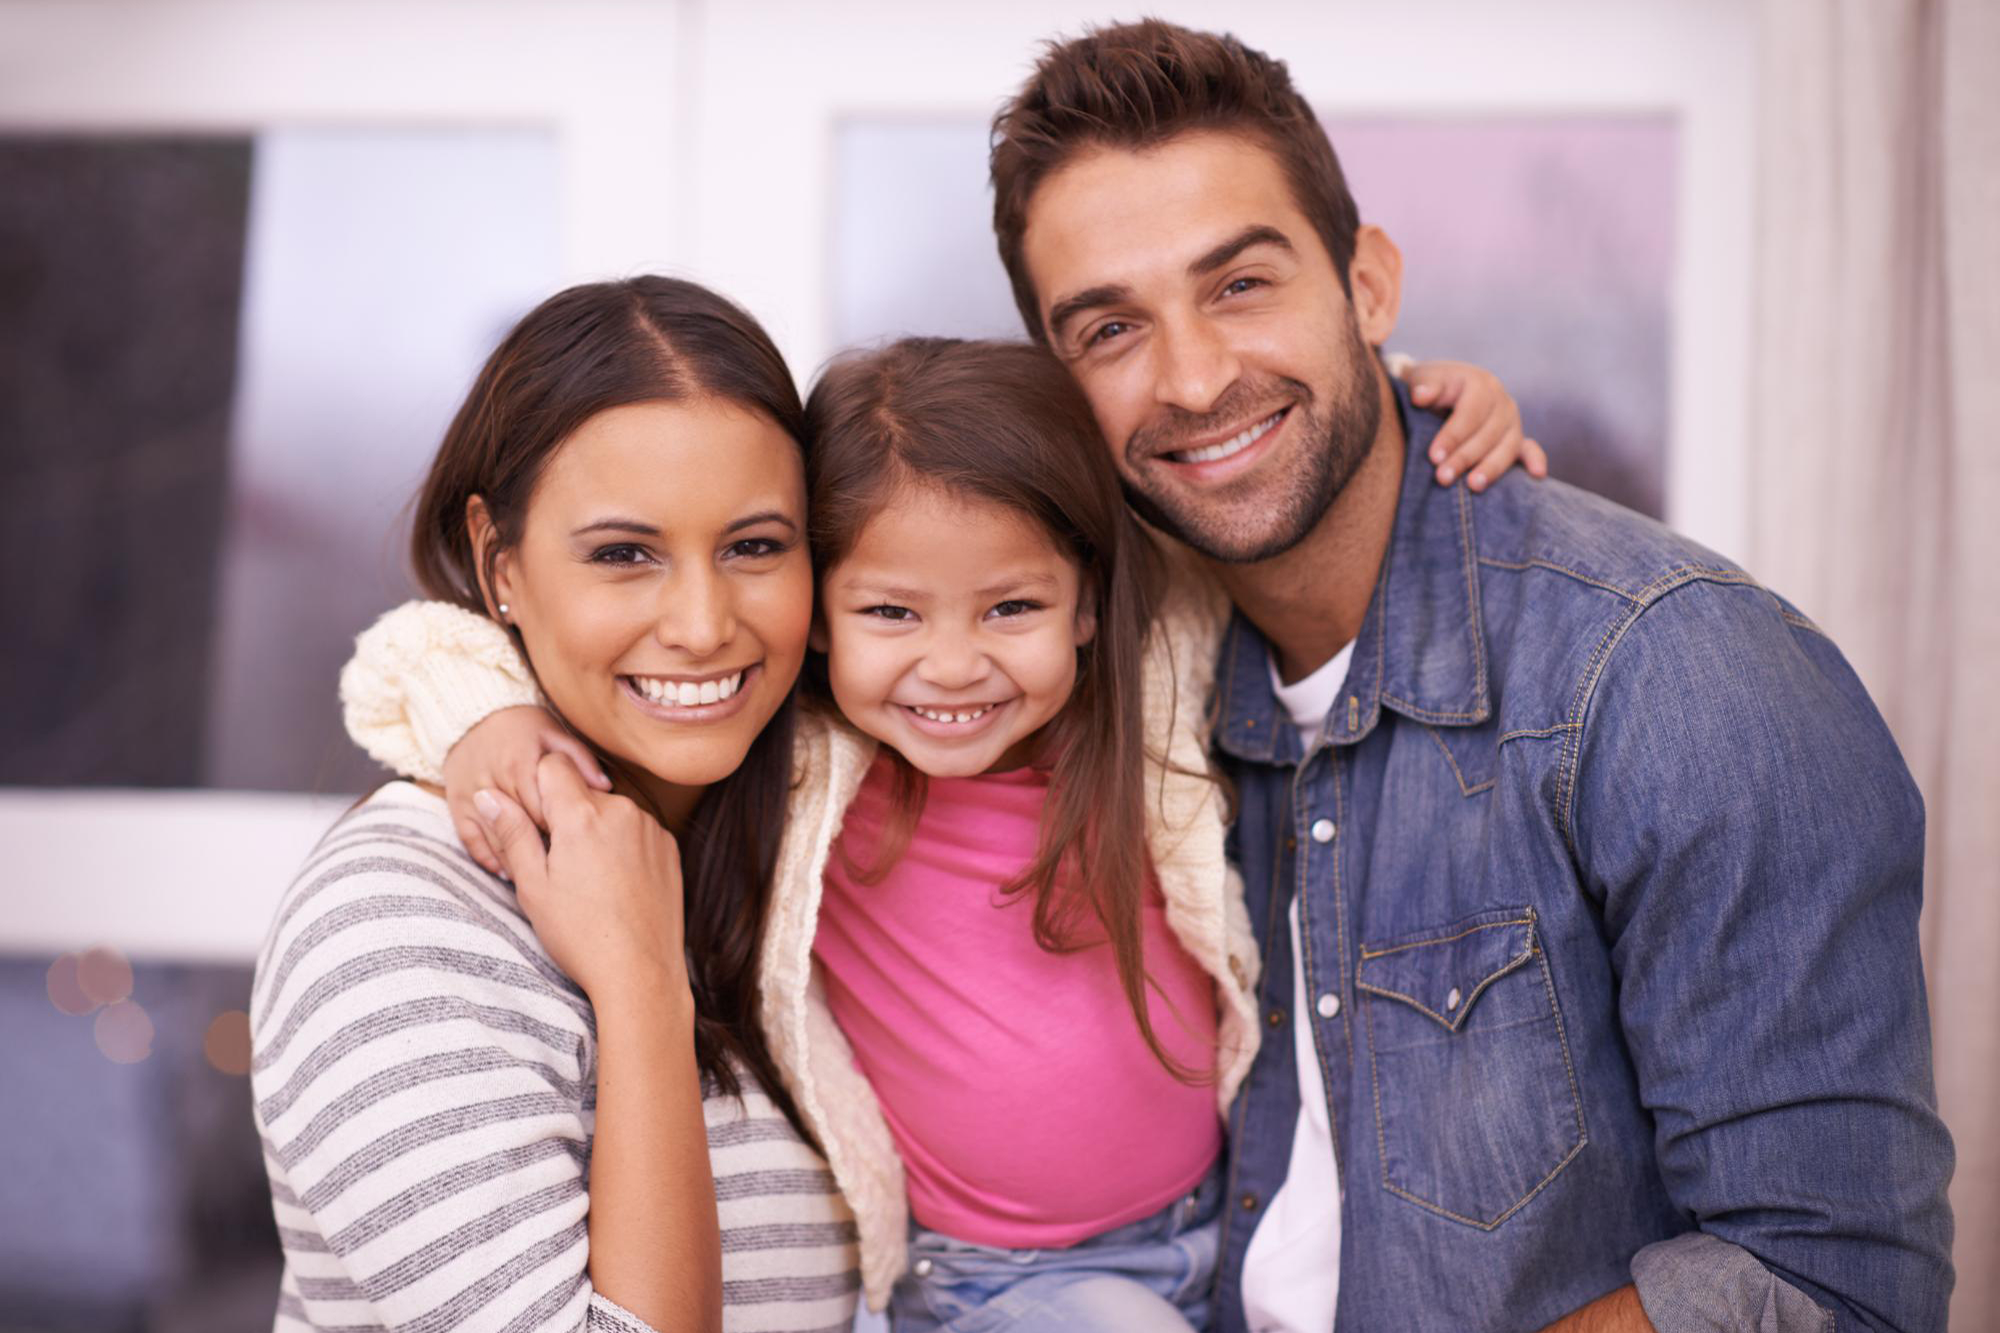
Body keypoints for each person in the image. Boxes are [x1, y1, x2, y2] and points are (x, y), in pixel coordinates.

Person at [980, 18, 1955, 1333]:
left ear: (1369, 286)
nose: (1194, 377)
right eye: (1110, 328)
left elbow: (1831, 1284)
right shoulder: (1123, 685)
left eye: (1242, 284)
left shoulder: (1674, 676)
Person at [336, 340, 1538, 1329]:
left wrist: (1411, 427)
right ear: (817, 615)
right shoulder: (804, 746)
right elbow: (424, 642)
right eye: (891, 612)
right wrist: (482, 714)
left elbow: (1265, 516)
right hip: (1000, 1285)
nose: (951, 664)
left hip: (1231, 1214)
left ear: (1085, 595)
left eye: (1009, 607)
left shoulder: (1150, 677)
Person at [250, 276, 859, 1333]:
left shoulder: (790, 860)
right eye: (624, 554)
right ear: (501, 567)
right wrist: (635, 982)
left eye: (755, 546)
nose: (704, 623)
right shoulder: (394, 924)